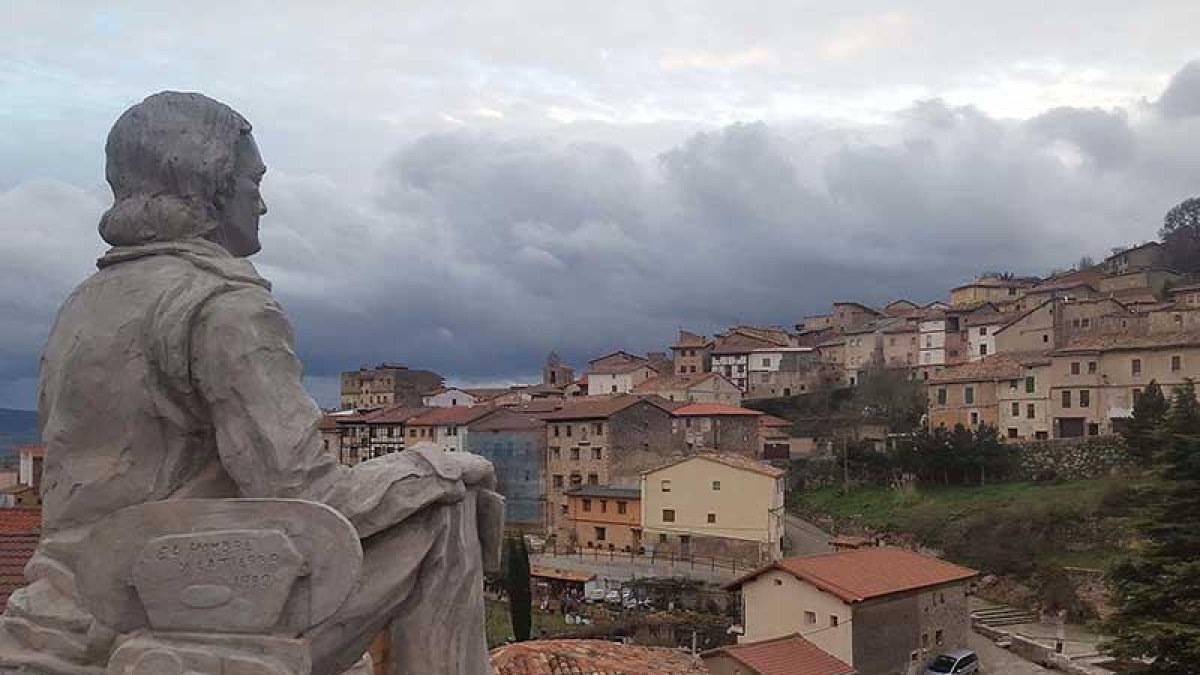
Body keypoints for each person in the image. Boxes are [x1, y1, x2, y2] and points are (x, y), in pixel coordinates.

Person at [0, 92, 497, 675]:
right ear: (209, 186)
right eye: (251, 180)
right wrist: (431, 466)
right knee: (448, 504)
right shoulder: (222, 307)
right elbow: (307, 496)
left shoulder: (81, 306)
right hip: (180, 612)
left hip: (65, 607)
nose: (261, 201)